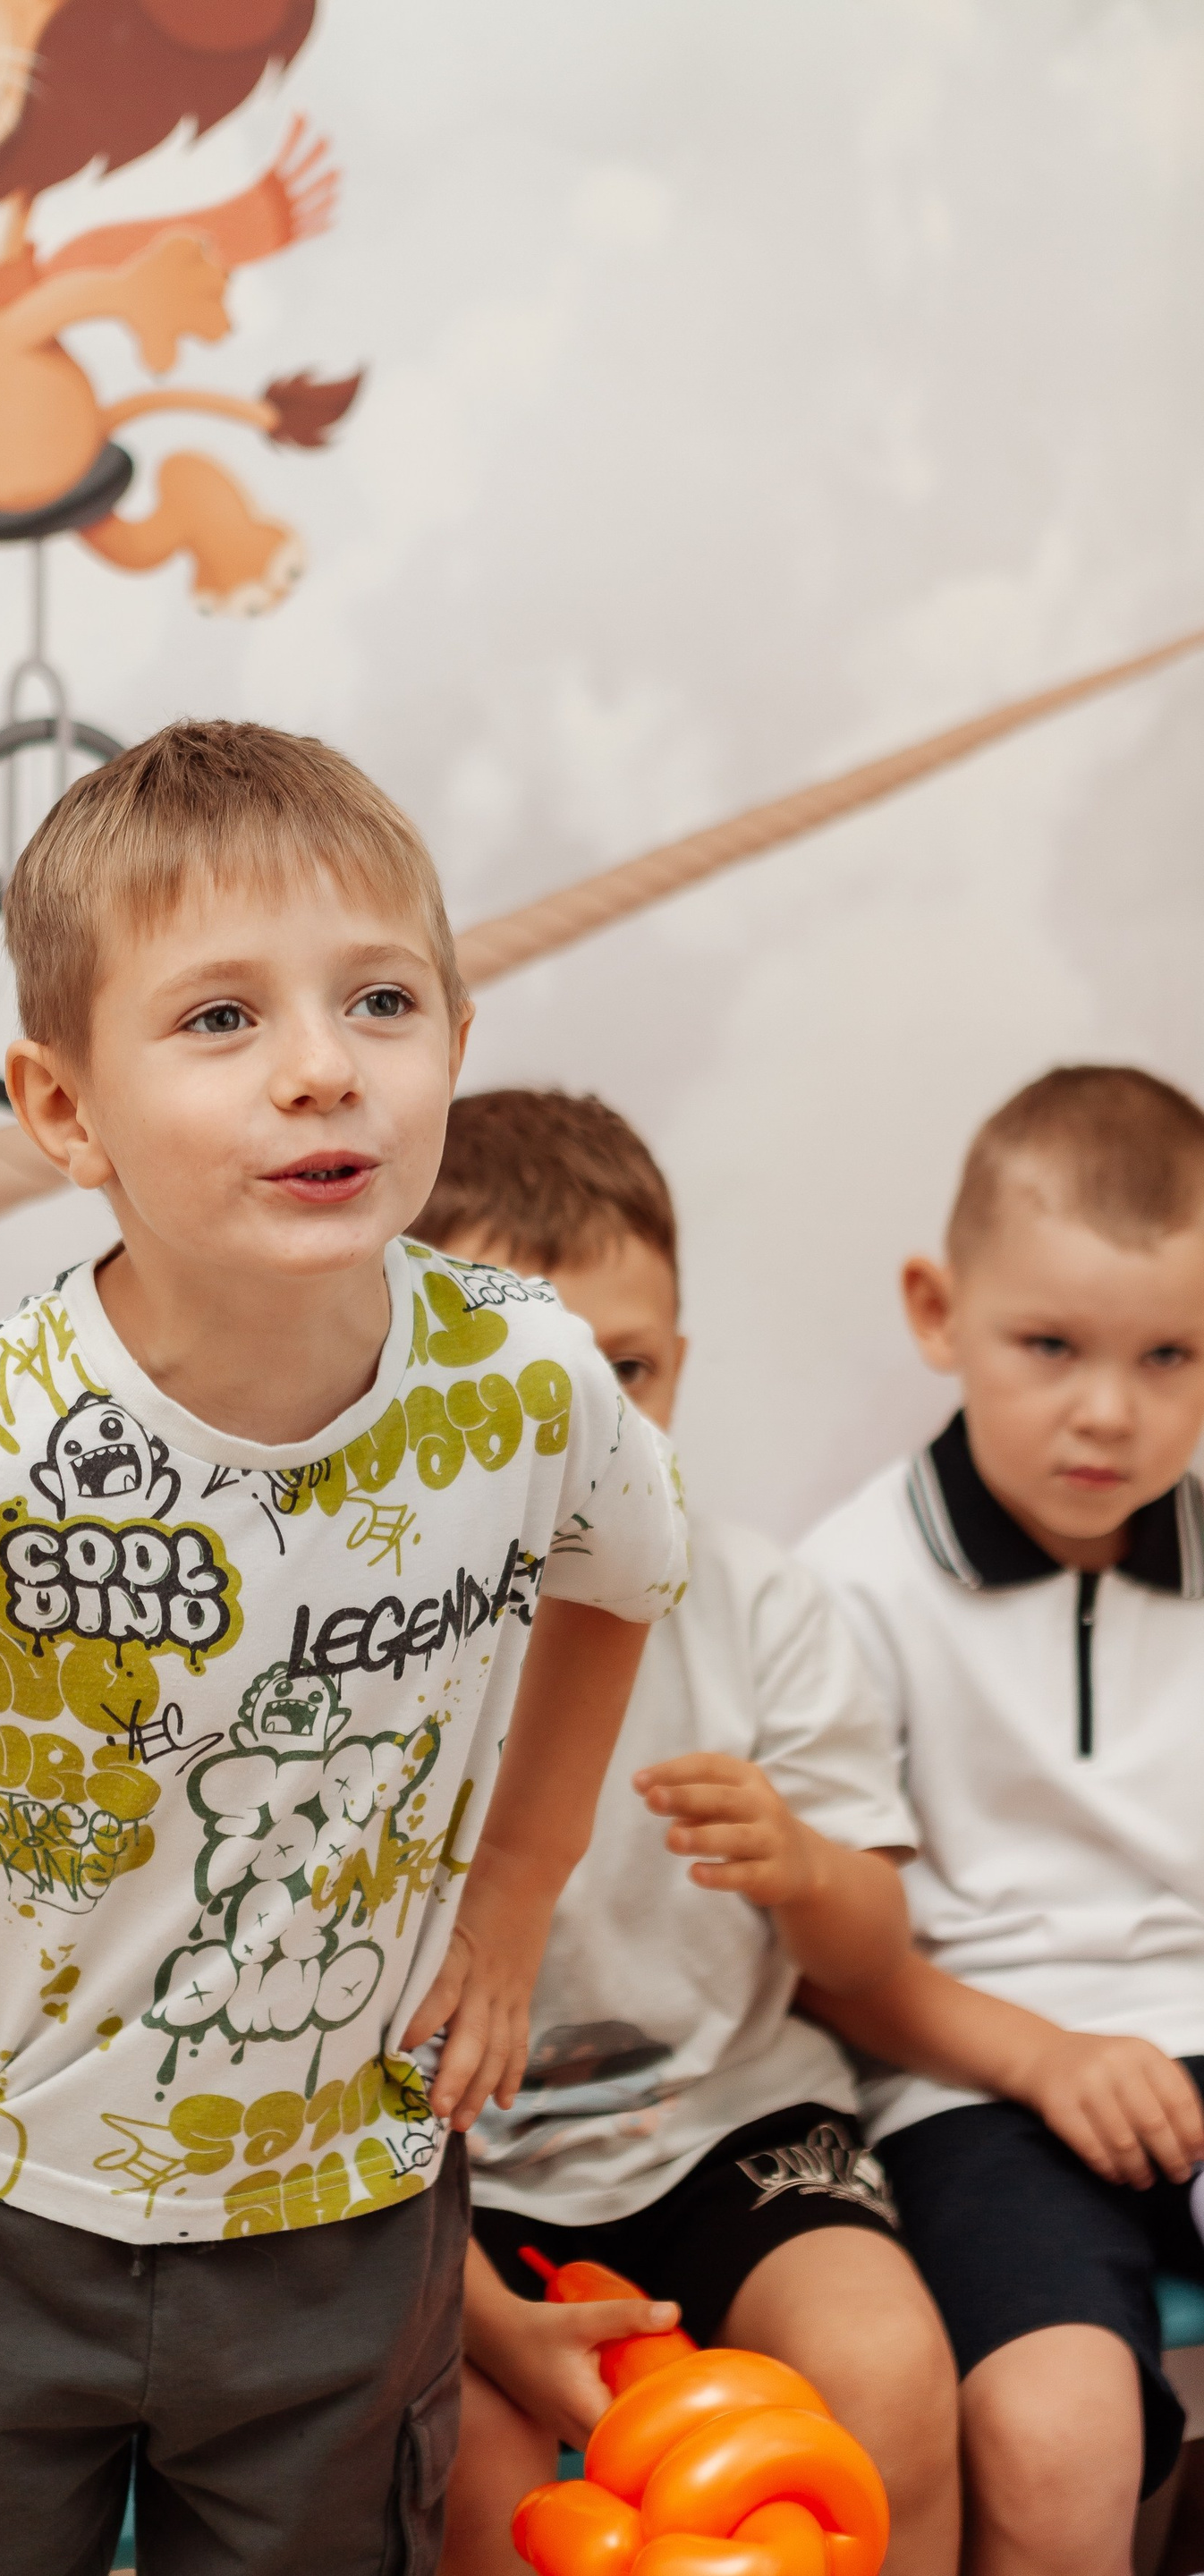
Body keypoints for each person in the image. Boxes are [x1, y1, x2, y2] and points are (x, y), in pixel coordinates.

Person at [0, 723, 689, 2576]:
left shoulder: (532, 1383)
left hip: (345, 2216)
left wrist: (519, 1889)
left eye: (380, 1001)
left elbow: (623, 1573)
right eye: (222, 1018)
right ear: (67, 1111)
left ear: (454, 1044)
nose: (322, 1067)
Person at [414, 1089, 960, 2576]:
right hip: (450, 2175)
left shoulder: (757, 1601)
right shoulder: (365, 1649)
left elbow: (870, 1949)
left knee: (890, 2376)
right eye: (527, 1381)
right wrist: (491, 2326)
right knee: (478, 2479)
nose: (592, 1432)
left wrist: (804, 1865)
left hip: (732, 2120)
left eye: (628, 1372)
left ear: (678, 1367)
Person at [800, 1064, 1204, 2576]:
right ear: (939, 1311)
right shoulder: (847, 1591)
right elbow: (834, 1968)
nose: (1109, 1411)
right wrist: (1049, 2057)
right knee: (1057, 2433)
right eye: (1051, 1347)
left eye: (1170, 1355)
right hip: (972, 2082)